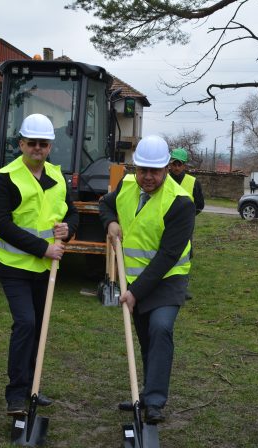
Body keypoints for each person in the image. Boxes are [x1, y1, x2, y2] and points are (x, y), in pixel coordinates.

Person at [0, 113, 79, 416]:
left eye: (43, 143)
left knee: (39, 327)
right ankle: (15, 394)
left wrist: (69, 229)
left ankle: (33, 386)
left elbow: (72, 212)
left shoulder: (58, 176)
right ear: (21, 144)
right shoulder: (4, 178)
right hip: (14, 266)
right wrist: (44, 248)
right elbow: (1, 224)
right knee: (25, 323)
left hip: (45, 269)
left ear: (50, 146)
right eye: (32, 143)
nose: (37, 148)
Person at [100, 135, 195, 424]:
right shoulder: (127, 186)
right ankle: (143, 393)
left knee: (161, 329)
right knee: (145, 340)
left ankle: (154, 402)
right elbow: (105, 205)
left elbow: (167, 256)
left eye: (155, 171)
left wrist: (135, 292)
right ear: (135, 168)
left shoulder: (180, 203)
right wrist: (111, 221)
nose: (148, 177)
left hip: (167, 280)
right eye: (143, 170)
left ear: (167, 168)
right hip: (134, 278)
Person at [168, 148, 204, 215]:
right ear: (170, 165)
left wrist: (188, 217)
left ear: (184, 166)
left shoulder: (194, 182)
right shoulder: (164, 180)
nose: (177, 168)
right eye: (174, 164)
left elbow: (199, 206)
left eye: (179, 165)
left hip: (185, 222)